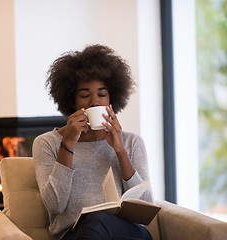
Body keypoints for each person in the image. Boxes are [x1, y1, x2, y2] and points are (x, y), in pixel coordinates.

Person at [32, 44, 153, 240]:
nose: (94, 102)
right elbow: (54, 206)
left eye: (102, 95)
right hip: (75, 235)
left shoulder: (132, 142)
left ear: (112, 99)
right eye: (85, 95)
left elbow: (146, 204)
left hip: (126, 234)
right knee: (96, 221)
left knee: (102, 221)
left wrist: (120, 150)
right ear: (72, 100)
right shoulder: (47, 143)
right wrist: (68, 144)